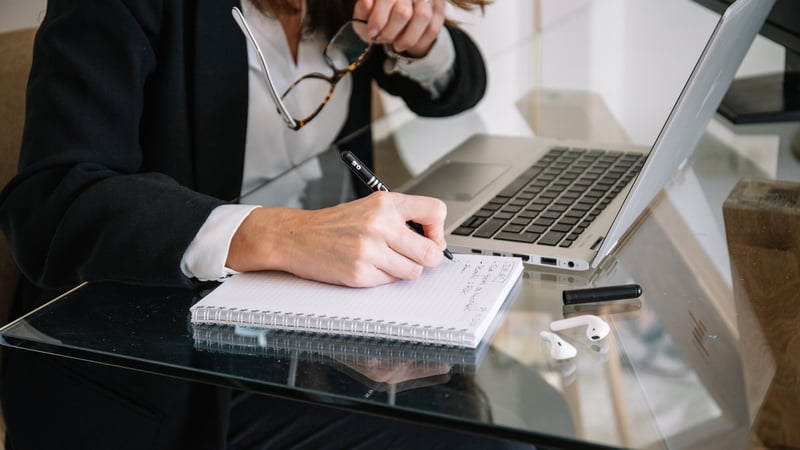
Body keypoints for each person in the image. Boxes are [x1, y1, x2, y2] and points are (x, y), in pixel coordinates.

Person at [0, 0, 536, 448]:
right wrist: (284, 235)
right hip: (146, 367)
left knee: (529, 408)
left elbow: (458, 86)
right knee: (495, 438)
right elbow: (52, 202)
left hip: (315, 332)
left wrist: (418, 39)